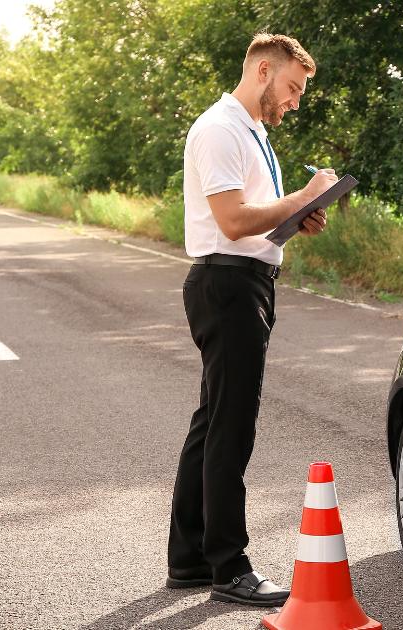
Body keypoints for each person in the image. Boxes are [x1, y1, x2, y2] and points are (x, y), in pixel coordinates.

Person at [166, 33, 338, 607]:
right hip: (228, 284)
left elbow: (258, 219)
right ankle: (229, 567)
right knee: (231, 427)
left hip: (243, 281)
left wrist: (298, 215)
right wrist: (305, 194)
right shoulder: (219, 128)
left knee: (213, 420)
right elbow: (234, 221)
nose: (295, 102)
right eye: (292, 88)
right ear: (263, 71)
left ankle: (190, 559)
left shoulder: (253, 131)